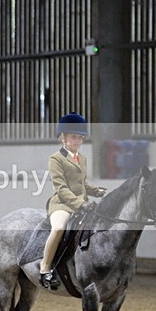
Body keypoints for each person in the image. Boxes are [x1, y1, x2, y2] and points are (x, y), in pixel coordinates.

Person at [39, 112, 106, 290]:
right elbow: (61, 187)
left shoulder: (82, 158)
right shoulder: (56, 159)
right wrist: (80, 204)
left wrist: (95, 191)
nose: (77, 141)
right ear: (63, 137)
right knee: (59, 228)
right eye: (73, 137)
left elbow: (82, 183)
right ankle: (45, 268)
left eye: (80, 138)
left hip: (82, 204)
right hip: (62, 203)